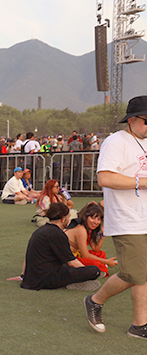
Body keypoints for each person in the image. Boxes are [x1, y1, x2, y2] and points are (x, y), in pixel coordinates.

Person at [83, 96, 147, 339]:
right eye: (146, 121)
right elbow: (105, 178)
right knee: (133, 274)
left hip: (143, 215)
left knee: (143, 274)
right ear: (131, 120)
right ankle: (95, 300)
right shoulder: (116, 142)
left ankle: (140, 325)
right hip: (127, 218)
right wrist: (142, 182)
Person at [21, 202, 101, 290]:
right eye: (68, 217)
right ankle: (76, 283)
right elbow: (72, 262)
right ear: (63, 219)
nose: (69, 220)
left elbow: (28, 256)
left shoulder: (40, 230)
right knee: (95, 270)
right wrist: (85, 272)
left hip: (32, 278)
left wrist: (23, 275)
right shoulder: (57, 234)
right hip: (46, 279)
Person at [65, 201, 116, 277]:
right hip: (69, 260)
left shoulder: (88, 229)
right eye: (93, 218)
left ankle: (100, 267)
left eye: (98, 219)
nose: (96, 222)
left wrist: (103, 234)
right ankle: (99, 268)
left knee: (101, 254)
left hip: (77, 256)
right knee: (94, 264)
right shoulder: (81, 229)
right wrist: (105, 261)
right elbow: (85, 255)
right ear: (85, 217)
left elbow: (95, 248)